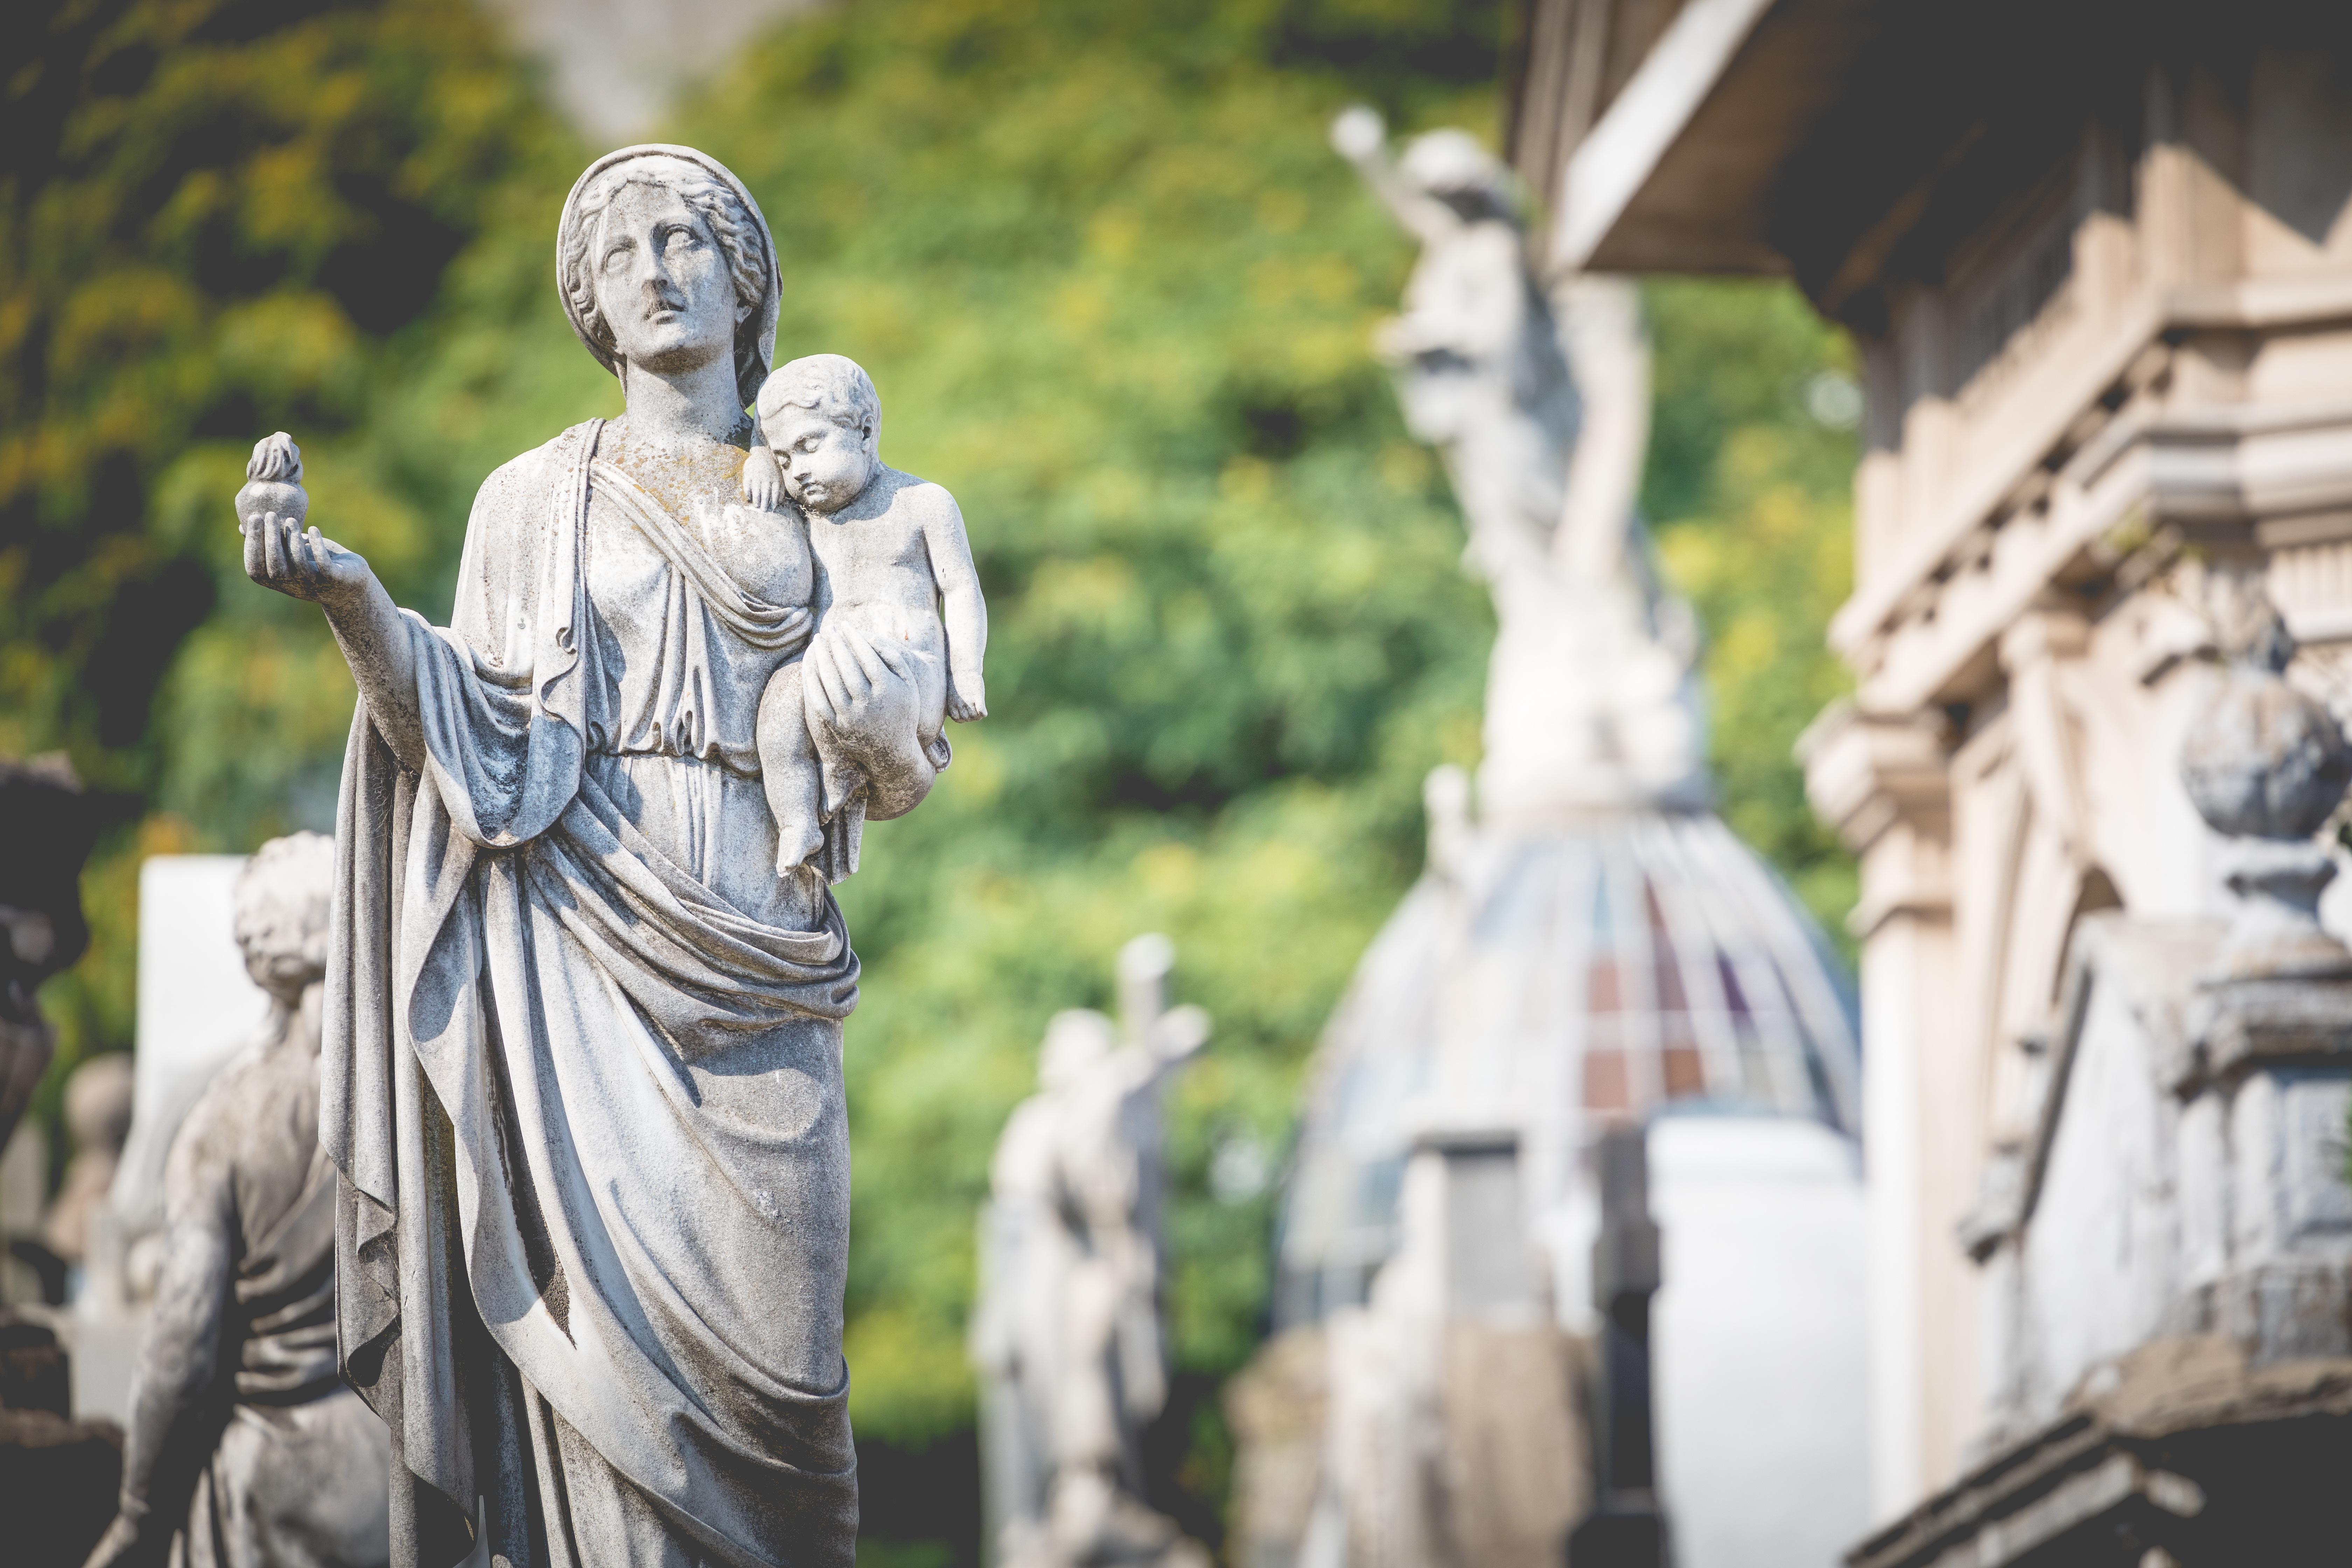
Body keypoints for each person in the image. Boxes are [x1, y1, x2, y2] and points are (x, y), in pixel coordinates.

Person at [237, 144, 944, 1568]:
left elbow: (908, 751)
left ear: (745, 281)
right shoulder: (530, 499)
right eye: (621, 255)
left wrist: (890, 712)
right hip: (582, 959)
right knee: (605, 1392)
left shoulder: (825, 484)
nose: (657, 267)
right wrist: (356, 601)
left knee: (791, 1394)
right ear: (593, 308)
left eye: (686, 239)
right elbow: (480, 737)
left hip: (768, 941)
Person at [83, 833, 392, 1568]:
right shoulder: (408, 1107)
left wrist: (139, 1517)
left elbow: (183, 1348)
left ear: (258, 951)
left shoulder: (223, 1124)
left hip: (269, 1482)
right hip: (404, 1476)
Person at [743, 353, 988, 879]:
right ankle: (796, 822)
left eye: (810, 446)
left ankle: (842, 768)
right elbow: (750, 457)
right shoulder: (806, 518)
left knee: (845, 660)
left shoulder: (922, 503)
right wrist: (760, 461)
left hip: (907, 673)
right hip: (826, 676)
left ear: (865, 431)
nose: (799, 469)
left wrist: (965, 674)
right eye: (786, 459)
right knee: (778, 708)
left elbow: (962, 590)